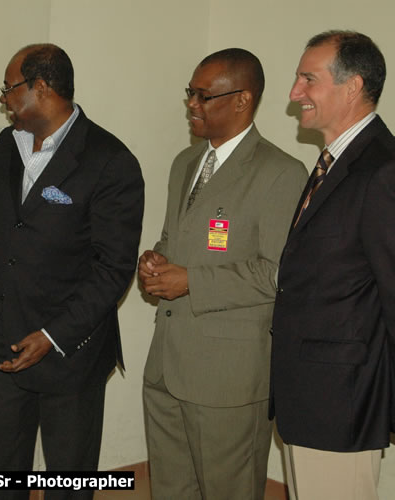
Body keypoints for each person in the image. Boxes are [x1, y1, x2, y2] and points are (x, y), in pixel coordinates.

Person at [0, 44, 144, 500]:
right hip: (5, 342)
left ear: (41, 87)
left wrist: (52, 335)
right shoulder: (6, 145)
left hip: (70, 350)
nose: (4, 99)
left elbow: (113, 269)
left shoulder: (110, 161)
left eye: (10, 88)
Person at [139, 49, 307, 500]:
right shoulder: (184, 164)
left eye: (203, 95)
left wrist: (192, 280)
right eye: (189, 94)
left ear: (241, 100)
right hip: (167, 365)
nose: (192, 104)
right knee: (171, 490)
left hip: (227, 379)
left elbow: (277, 273)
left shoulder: (281, 173)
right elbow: (174, 240)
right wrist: (155, 261)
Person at [271, 31, 395, 500]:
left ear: (352, 87)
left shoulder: (382, 169)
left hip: (342, 403)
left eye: (308, 79)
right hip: (308, 397)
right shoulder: (333, 163)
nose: (294, 93)